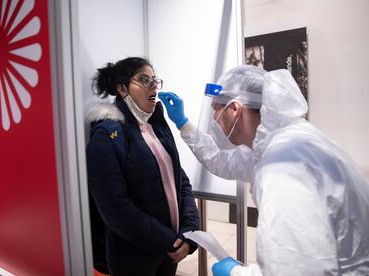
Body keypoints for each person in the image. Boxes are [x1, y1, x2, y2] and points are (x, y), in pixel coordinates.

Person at [158, 65, 369, 275]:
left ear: (234, 109)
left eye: (216, 108)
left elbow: (294, 270)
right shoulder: (282, 141)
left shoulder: (283, 167)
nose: (214, 117)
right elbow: (222, 160)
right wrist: (184, 124)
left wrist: (234, 273)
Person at [86, 57, 199, 276]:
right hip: (134, 257)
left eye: (155, 80)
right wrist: (168, 241)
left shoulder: (156, 125)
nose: (154, 86)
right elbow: (115, 208)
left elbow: (180, 181)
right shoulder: (107, 135)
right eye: (144, 80)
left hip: (169, 250)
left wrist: (188, 232)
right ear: (122, 88)